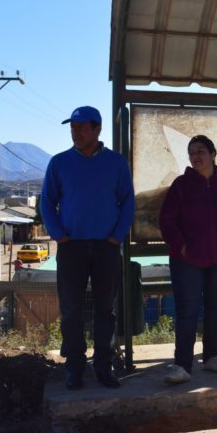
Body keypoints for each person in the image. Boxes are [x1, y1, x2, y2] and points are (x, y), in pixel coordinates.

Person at [40, 106, 135, 390]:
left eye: (81, 127)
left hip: (106, 248)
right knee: (71, 311)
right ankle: (75, 368)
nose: (75, 132)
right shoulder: (59, 163)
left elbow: (127, 201)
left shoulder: (116, 163)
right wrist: (59, 235)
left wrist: (117, 236)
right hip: (72, 249)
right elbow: (47, 202)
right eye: (73, 127)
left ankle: (104, 367)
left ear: (97, 129)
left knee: (105, 310)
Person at [159, 135, 217, 385]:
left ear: (213, 154)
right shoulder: (181, 185)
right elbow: (167, 221)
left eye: (201, 151)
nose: (195, 156)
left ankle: (212, 358)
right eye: (191, 152)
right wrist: (183, 247)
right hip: (187, 261)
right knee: (187, 311)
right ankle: (182, 365)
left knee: (216, 309)